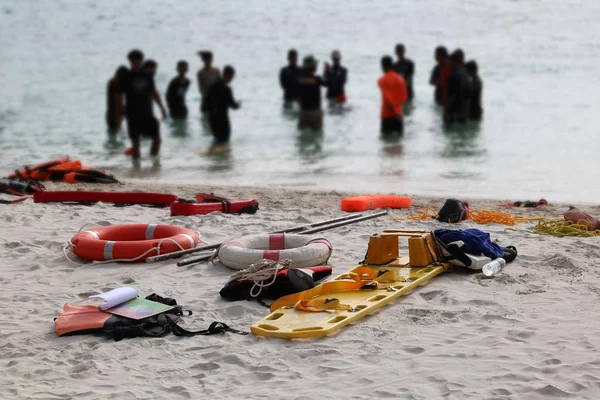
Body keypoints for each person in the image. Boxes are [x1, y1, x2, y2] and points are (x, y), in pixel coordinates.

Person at [119, 49, 167, 161]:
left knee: (157, 139)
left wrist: (162, 108)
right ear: (130, 61)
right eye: (133, 61)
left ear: (141, 61)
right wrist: (120, 116)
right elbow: (120, 97)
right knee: (136, 142)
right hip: (132, 113)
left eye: (138, 60)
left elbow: (154, 92)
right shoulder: (126, 77)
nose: (136, 63)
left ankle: (154, 163)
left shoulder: (148, 75)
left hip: (147, 112)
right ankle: (136, 169)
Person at [201, 65, 240, 143]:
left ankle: (215, 154)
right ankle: (221, 155)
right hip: (223, 120)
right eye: (231, 77)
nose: (231, 79)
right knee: (224, 141)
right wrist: (238, 104)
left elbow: (205, 104)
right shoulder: (227, 89)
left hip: (212, 120)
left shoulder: (212, 86)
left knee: (217, 140)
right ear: (228, 75)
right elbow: (233, 105)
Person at [378, 56, 407, 134]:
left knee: (386, 142)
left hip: (387, 115)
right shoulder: (401, 79)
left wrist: (393, 109)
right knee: (400, 142)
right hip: (399, 115)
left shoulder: (381, 81)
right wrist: (397, 112)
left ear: (383, 66)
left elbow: (387, 98)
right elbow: (404, 97)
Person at [297, 55, 326, 130]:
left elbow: (296, 94)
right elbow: (330, 84)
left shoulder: (300, 79)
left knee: (302, 138)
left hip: (303, 111)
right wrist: (328, 72)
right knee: (317, 137)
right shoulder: (317, 79)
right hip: (315, 112)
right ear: (313, 67)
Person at [444, 49, 470, 124]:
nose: (448, 63)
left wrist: (446, 112)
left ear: (454, 61)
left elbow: (451, 96)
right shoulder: (466, 75)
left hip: (454, 114)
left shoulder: (452, 75)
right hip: (464, 113)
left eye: (450, 61)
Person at [106, 65, 128, 133]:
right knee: (116, 133)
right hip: (114, 115)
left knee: (113, 136)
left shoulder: (112, 81)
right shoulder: (117, 83)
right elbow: (118, 103)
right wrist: (118, 123)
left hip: (111, 114)